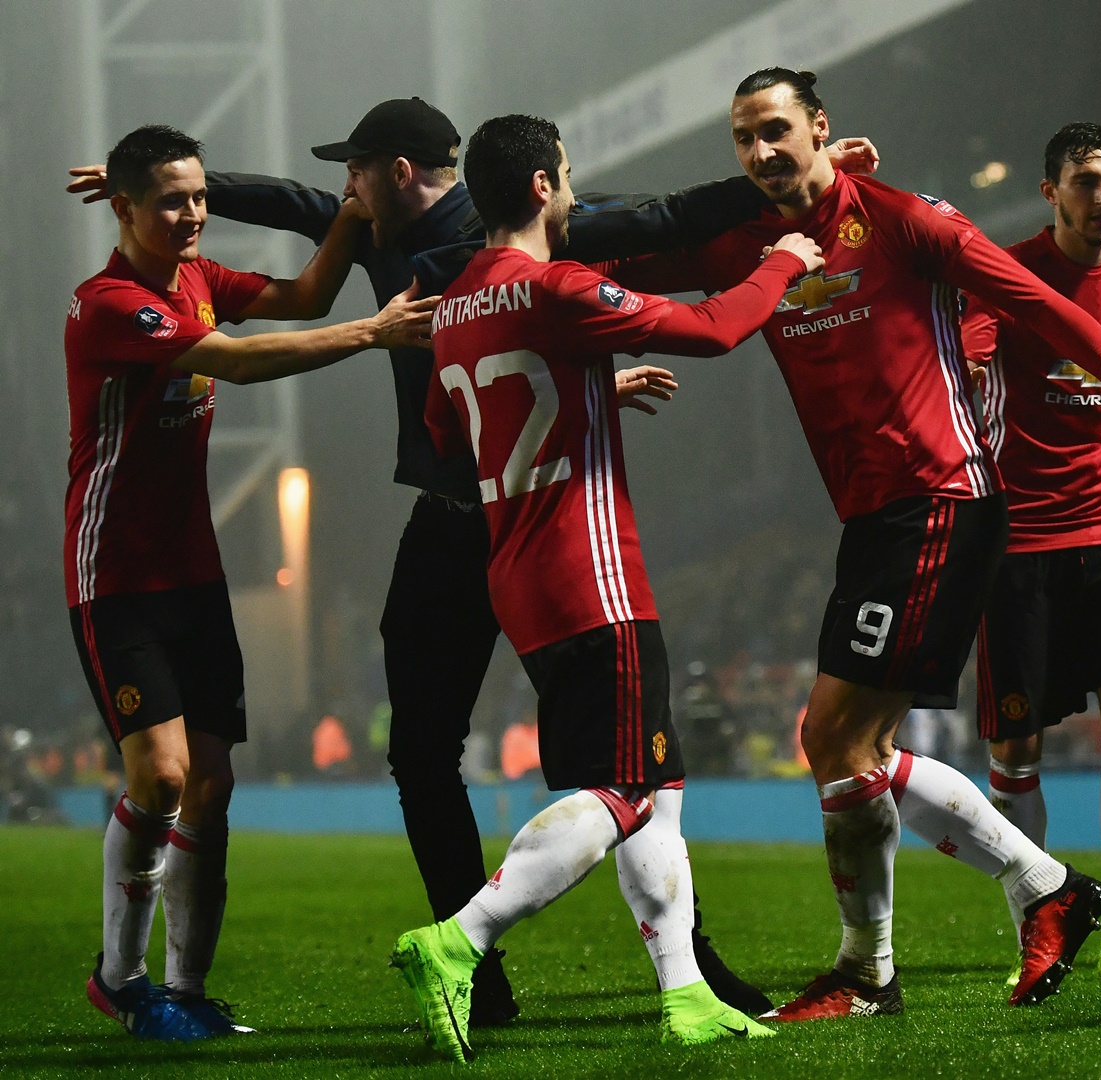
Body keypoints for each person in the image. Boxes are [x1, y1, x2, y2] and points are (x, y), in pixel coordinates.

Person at [64, 97, 877, 1020]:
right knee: (436, 750)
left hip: (525, 519)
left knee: (620, 758)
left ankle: (675, 966)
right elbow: (301, 203)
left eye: (358, 170)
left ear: (399, 172)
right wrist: (151, 188)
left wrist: (774, 182)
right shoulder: (403, 232)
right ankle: (482, 976)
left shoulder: (510, 229)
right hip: (464, 521)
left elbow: (662, 217)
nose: (345, 189)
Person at [604, 68, 1101, 1018]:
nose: (760, 153)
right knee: (849, 747)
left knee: (834, 734)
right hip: (878, 517)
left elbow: (1033, 299)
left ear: (822, 129)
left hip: (942, 498)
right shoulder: (754, 243)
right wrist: (524, 263)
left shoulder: (903, 218)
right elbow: (623, 268)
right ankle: (1002, 910)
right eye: (744, 138)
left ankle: (912, 950)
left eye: (778, 131)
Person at [391, 113, 824, 1061]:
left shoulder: (457, 299)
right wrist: (785, 258)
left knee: (657, 787)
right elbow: (715, 329)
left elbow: (452, 436)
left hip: (517, 572)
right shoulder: (557, 285)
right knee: (626, 789)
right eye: (571, 176)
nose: (578, 192)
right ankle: (458, 938)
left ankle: (686, 992)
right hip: (591, 578)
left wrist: (577, 391)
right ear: (542, 186)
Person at [68, 124, 435, 1041]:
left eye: (199, 196)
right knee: (161, 774)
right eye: (171, 201)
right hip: (115, 575)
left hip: (195, 574)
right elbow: (232, 360)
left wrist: (349, 218)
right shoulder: (111, 304)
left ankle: (188, 994)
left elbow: (305, 287)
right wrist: (373, 331)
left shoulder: (198, 278)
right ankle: (120, 979)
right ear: (123, 209)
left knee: (214, 786)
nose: (193, 214)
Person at [959, 122, 1101, 982]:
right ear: (1051, 192)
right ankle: (1037, 924)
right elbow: (968, 367)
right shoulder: (1005, 275)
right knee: (1017, 749)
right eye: (1087, 181)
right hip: (1021, 539)